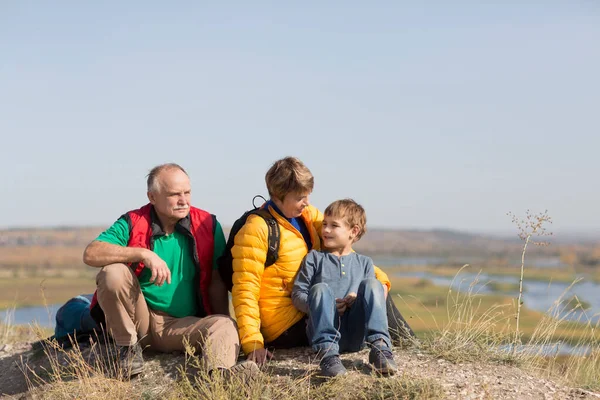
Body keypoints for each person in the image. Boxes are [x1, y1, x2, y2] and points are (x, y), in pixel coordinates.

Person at [83, 163, 256, 379]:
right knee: (113, 273)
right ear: (152, 197)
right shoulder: (134, 221)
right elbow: (91, 253)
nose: (184, 200)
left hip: (182, 326)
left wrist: (221, 331)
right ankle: (127, 351)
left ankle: (219, 377)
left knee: (224, 324)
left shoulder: (207, 224)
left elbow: (216, 283)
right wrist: (142, 254)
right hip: (139, 322)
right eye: (174, 194)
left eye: (187, 192)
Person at [230, 157, 395, 365]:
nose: (306, 202)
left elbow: (344, 250)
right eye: (300, 197)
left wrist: (381, 283)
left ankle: (384, 348)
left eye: (307, 195)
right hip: (285, 325)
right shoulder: (257, 229)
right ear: (278, 197)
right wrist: (253, 342)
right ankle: (357, 351)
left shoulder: (307, 215)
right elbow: (245, 289)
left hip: (311, 310)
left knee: (375, 291)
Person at [292, 199, 398, 377]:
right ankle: (328, 357)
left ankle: (380, 348)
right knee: (319, 289)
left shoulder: (364, 262)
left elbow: (371, 296)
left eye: (334, 225)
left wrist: (356, 297)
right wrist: (324, 305)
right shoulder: (314, 258)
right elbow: (297, 295)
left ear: (353, 231)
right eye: (324, 224)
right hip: (323, 332)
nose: (325, 230)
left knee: (374, 284)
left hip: (356, 334)